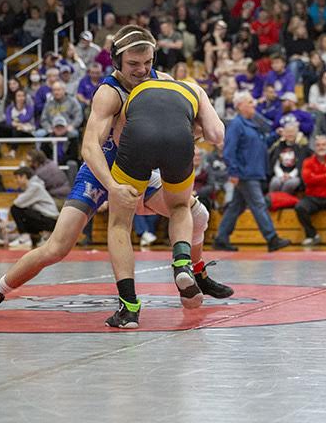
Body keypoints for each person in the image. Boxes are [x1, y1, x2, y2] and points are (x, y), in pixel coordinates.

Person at [0, 25, 233, 324]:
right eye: (133, 65)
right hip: (101, 171)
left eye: (147, 63)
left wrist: (188, 137)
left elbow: (193, 125)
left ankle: (197, 273)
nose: (142, 70)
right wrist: (113, 185)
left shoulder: (162, 81)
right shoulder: (108, 93)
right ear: (116, 61)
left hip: (137, 170)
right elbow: (89, 148)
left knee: (198, 215)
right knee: (57, 247)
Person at [88, 78, 224, 326]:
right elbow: (216, 135)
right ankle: (183, 263)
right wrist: (193, 132)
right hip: (179, 139)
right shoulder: (195, 90)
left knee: (119, 224)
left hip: (136, 142)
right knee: (181, 207)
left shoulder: (135, 92)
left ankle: (129, 307)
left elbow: (120, 136)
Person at [213, 91, 291, 252]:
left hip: (253, 171)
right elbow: (228, 151)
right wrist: (233, 172)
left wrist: (275, 136)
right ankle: (272, 238)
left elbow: (261, 145)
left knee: (236, 206)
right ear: (240, 105)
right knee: (259, 205)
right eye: (249, 102)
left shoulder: (252, 125)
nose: (253, 104)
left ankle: (221, 238)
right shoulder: (236, 125)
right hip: (245, 173)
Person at [9, 167, 59, 249]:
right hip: (47, 219)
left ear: (24, 177)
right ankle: (41, 236)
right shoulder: (32, 186)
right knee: (23, 211)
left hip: (50, 221)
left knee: (15, 209)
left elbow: (17, 203)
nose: (16, 181)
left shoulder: (35, 187)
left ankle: (25, 237)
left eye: (17, 178)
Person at [268, 122, 311, 194]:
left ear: (297, 133)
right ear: (283, 133)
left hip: (295, 176)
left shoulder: (302, 147)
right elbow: (275, 163)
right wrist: (281, 175)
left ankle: (283, 201)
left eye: (292, 132)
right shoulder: (278, 146)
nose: (290, 134)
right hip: (279, 174)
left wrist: (290, 175)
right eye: (288, 132)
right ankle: (272, 201)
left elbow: (301, 165)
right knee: (275, 182)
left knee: (290, 184)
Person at [0, 88, 35, 157]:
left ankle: (13, 151)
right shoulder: (10, 108)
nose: (21, 98)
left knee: (17, 128)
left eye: (23, 96)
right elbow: (8, 120)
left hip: (26, 131)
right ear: (15, 97)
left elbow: (26, 118)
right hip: (13, 129)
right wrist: (13, 123)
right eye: (18, 96)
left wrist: (15, 121)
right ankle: (4, 145)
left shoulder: (29, 108)